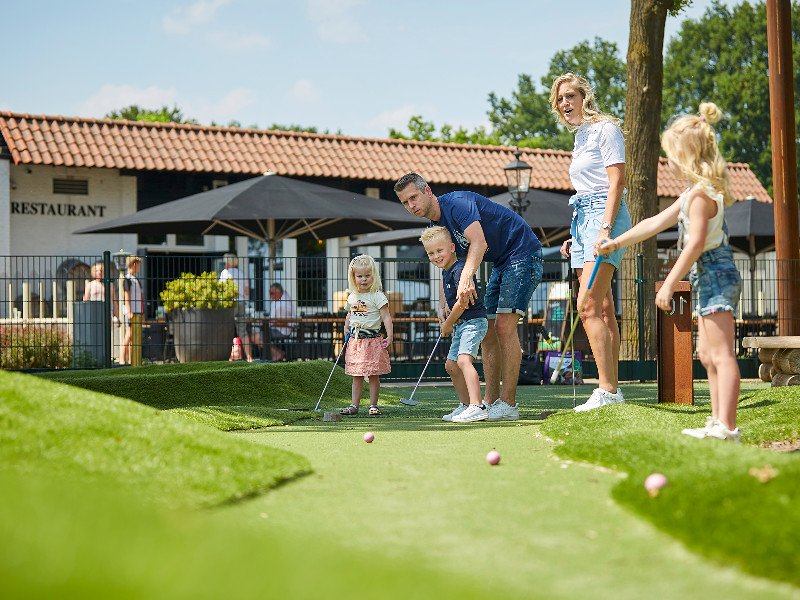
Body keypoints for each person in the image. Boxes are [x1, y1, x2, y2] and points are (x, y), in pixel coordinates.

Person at [597, 102, 742, 442]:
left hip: (716, 274)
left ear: (687, 155)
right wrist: (616, 242)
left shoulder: (702, 197)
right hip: (707, 276)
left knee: (721, 354)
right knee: (707, 354)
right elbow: (653, 223)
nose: (670, 163)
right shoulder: (692, 193)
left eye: (672, 156)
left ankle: (728, 426)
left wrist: (670, 284)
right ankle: (717, 421)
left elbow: (695, 245)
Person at [395, 173, 543, 421]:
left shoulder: (458, 204)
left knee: (505, 327)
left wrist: (466, 277)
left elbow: (479, 242)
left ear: (427, 190)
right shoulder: (435, 228)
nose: (411, 206)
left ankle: (508, 404)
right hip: (500, 262)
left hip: (522, 251)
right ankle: (488, 403)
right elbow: (449, 265)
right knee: (488, 331)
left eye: (414, 197)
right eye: (405, 202)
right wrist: (443, 301)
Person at [550, 72, 633, 411]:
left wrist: (604, 228)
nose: (565, 103)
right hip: (582, 217)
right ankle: (613, 391)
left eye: (570, 96)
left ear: (584, 96)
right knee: (601, 308)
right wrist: (576, 234)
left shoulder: (605, 129)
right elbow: (585, 187)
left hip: (604, 215)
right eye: (560, 99)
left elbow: (617, 181)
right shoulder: (581, 136)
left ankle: (607, 390)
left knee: (586, 307)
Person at [421, 227, 489, 423]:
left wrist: (448, 324)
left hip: (473, 321)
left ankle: (478, 406)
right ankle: (466, 405)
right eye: (431, 253)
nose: (435, 256)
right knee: (451, 365)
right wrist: (443, 310)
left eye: (439, 251)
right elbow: (448, 297)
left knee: (463, 361)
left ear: (451, 248)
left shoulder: (460, 270)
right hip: (461, 323)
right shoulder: (446, 271)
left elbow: (463, 302)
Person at [339, 254, 393, 417]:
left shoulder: (377, 295)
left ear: (373, 276)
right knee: (357, 375)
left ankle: (373, 405)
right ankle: (354, 405)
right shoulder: (352, 296)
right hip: (356, 341)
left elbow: (386, 316)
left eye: (367, 276)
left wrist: (389, 336)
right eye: (359, 276)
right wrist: (346, 327)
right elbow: (350, 314)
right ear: (353, 277)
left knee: (373, 374)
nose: (363, 279)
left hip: (372, 340)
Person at [219, 253, 253, 362]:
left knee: (227, 330)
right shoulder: (242, 273)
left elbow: (220, 289)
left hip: (230, 303)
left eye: (225, 262)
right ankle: (249, 357)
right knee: (243, 331)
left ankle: (229, 357)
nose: (224, 264)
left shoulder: (225, 273)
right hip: (242, 302)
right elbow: (247, 292)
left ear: (228, 263)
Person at [120, 255, 143, 365]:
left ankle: (131, 360)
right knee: (129, 335)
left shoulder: (135, 279)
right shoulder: (127, 279)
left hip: (137, 312)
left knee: (133, 337)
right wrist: (129, 312)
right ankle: (121, 360)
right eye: (138, 265)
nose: (139, 267)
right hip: (131, 312)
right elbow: (126, 297)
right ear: (133, 265)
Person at [268, 282, 296, 361]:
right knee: (260, 332)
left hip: (281, 330)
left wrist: (269, 322)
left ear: (278, 292)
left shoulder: (283, 304)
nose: (270, 295)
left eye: (272, 293)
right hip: (278, 328)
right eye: (270, 293)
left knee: (258, 336)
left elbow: (283, 321)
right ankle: (278, 353)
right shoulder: (280, 299)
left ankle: (278, 354)